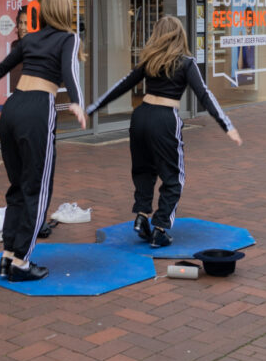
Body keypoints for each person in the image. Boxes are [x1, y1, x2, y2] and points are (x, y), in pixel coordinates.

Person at [0, 0, 85, 282]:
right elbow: (70, 70)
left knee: (18, 187)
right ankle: (21, 263)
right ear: (66, 12)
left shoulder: (30, 39)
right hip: (37, 109)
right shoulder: (69, 38)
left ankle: (7, 256)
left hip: (12, 108)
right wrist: (76, 102)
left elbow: (0, 69)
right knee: (36, 189)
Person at [85, 15, 242, 248]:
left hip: (141, 117)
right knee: (174, 177)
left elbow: (123, 85)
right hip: (165, 119)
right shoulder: (186, 63)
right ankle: (160, 228)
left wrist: (93, 107)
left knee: (144, 170)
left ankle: (141, 215)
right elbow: (204, 94)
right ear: (180, 36)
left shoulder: (149, 60)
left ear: (157, 35)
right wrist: (227, 125)